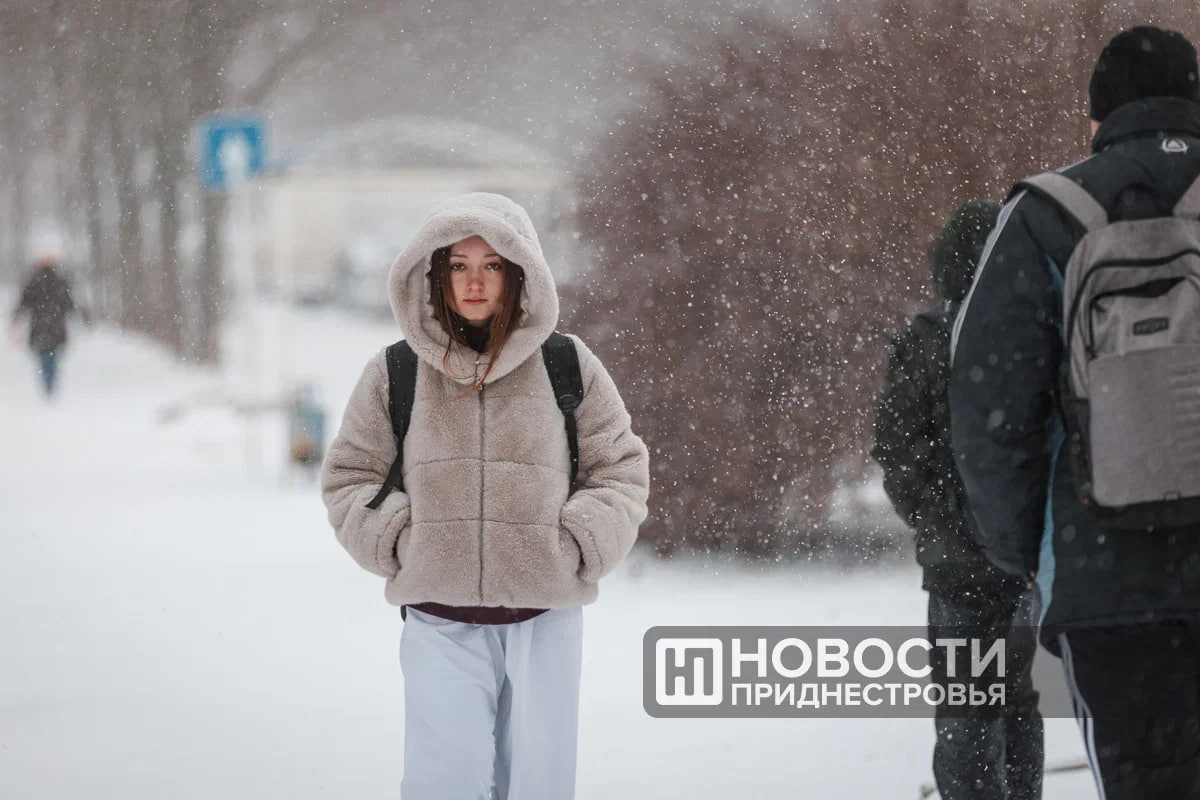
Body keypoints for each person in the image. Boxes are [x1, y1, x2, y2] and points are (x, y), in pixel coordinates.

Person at [320, 192, 650, 800]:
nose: (474, 282)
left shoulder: (566, 363)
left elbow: (620, 468)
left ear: (519, 272)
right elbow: (350, 476)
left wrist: (578, 543)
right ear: (435, 273)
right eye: (459, 265)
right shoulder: (396, 370)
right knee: (445, 783)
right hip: (439, 623)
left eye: (492, 264)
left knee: (538, 786)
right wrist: (400, 541)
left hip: (545, 623)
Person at [950, 26, 1200, 800]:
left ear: (1097, 117)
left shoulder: (1045, 214)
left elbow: (989, 408)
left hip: (1104, 578)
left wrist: (1023, 550)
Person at [872, 200, 1043, 800]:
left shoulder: (926, 341)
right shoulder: (1032, 334)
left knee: (968, 705)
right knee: (1017, 699)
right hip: (1022, 555)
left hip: (958, 562)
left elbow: (895, 446)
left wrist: (934, 515)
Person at [10, 256, 85, 397]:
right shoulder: (60, 282)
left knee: (44, 355)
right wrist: (77, 315)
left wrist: (16, 315)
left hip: (39, 327)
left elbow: (24, 303)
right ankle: (50, 380)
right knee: (53, 355)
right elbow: (69, 304)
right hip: (57, 327)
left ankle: (47, 381)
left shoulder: (33, 282)